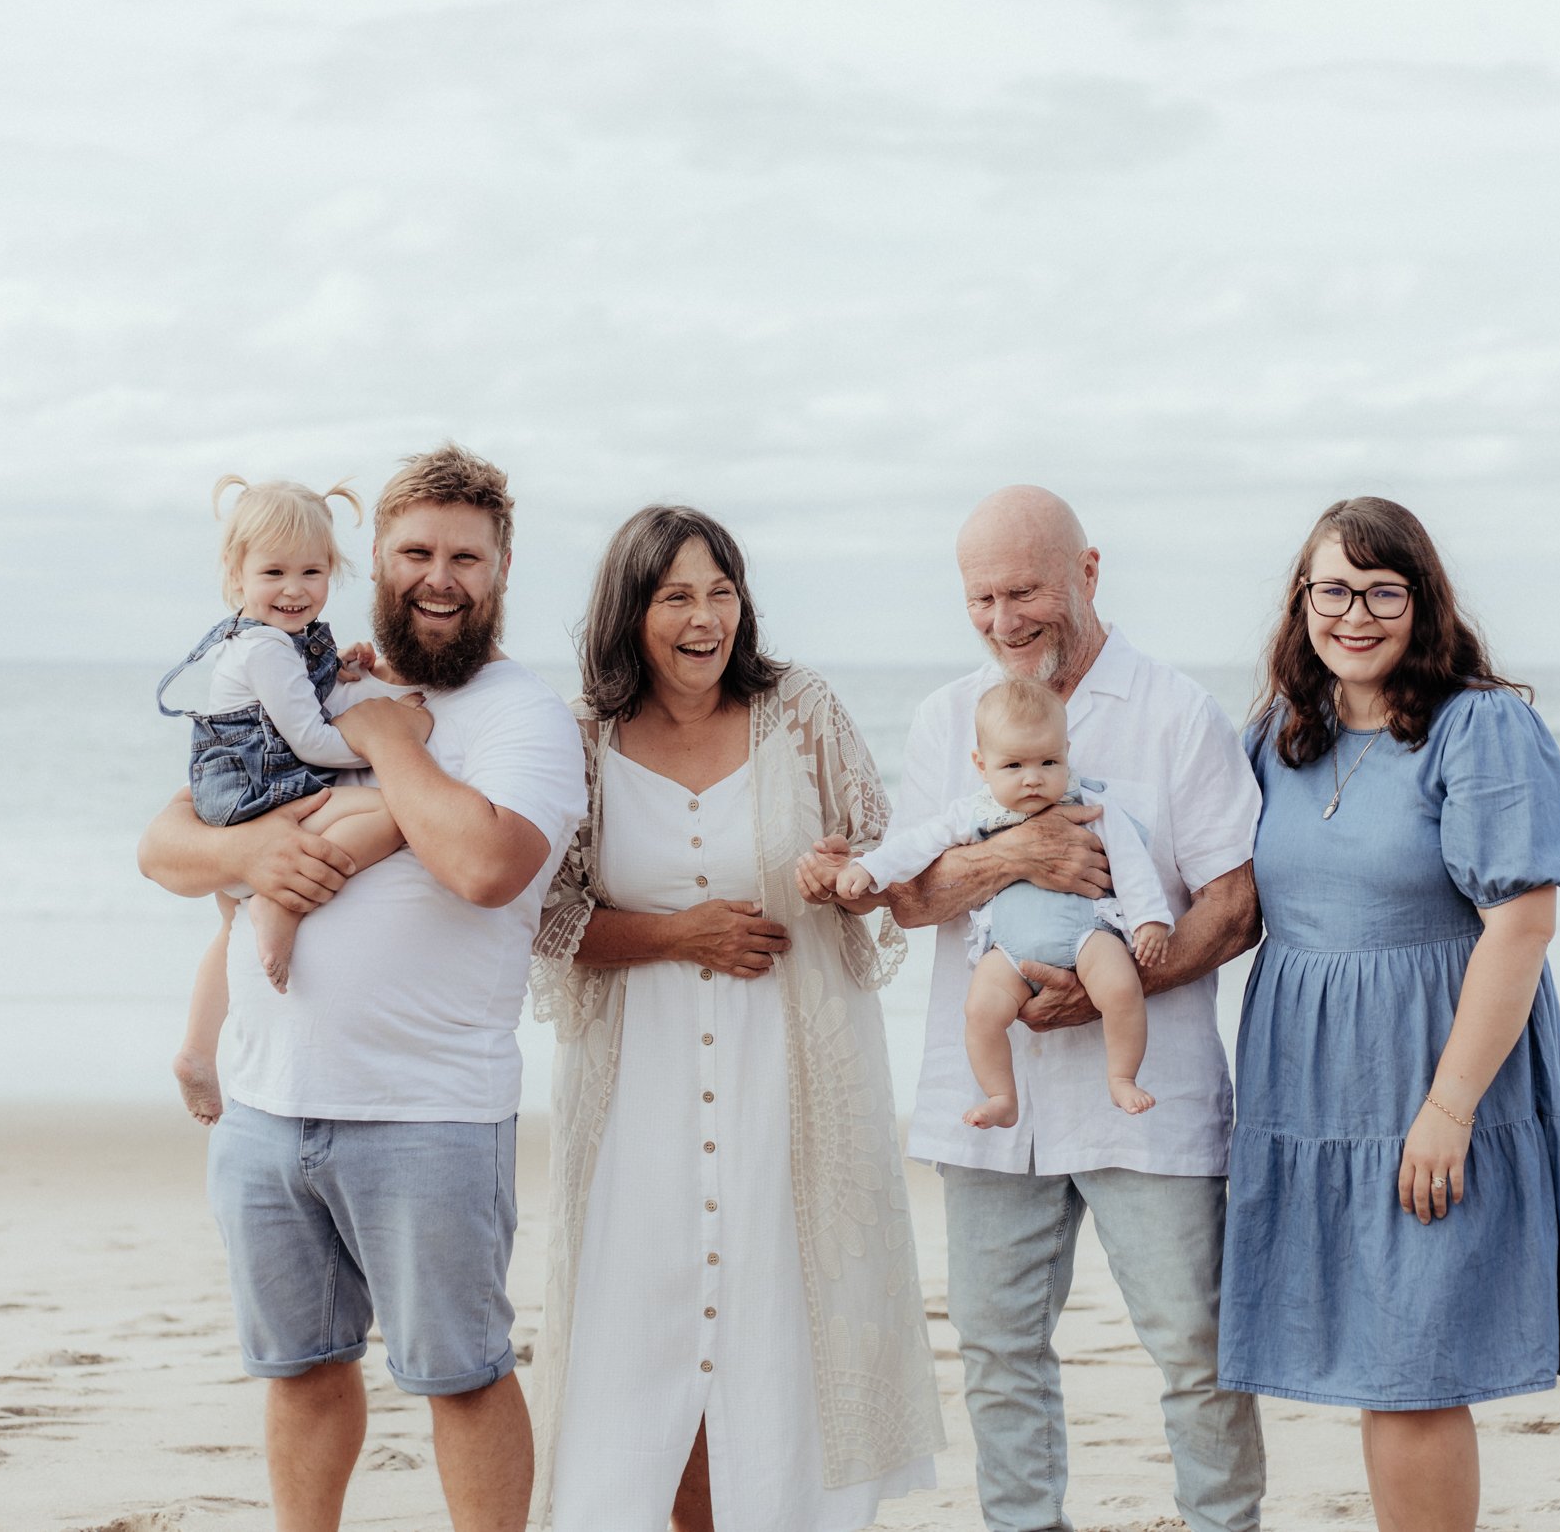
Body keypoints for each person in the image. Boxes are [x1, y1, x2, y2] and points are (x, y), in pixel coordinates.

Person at [137, 444, 587, 1532]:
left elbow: (486, 867)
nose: (440, 575)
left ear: (504, 566)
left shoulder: (519, 714)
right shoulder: (310, 670)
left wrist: (388, 741)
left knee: (462, 1374)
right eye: (416, 550)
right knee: (299, 1367)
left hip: (428, 1111)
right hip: (265, 1101)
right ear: (373, 561)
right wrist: (249, 860)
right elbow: (164, 842)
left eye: (465, 556)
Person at [802, 485, 1266, 1532]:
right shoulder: (946, 719)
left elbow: (1235, 903)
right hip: (988, 1092)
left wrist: (1107, 985)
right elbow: (913, 894)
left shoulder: (1176, 710)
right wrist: (1011, 855)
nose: (1004, 621)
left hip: (1149, 1091)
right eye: (981, 598)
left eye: (1026, 591)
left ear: (1087, 573)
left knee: (1193, 1345)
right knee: (1000, 1352)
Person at [528, 505, 944, 1532]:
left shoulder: (799, 710)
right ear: (632, 611)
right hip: (639, 1096)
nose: (704, 615)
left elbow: (881, 860)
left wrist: (839, 871)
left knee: (775, 1336)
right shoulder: (583, 733)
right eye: (676, 594)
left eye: (720, 589)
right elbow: (547, 912)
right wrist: (680, 934)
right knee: (645, 1345)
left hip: (791, 1087)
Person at [1221, 495, 1560, 1532]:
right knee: (1372, 1357)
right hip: (1313, 1086)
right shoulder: (1281, 738)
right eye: (1332, 588)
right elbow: (1232, 908)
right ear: (1302, 601)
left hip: (1435, 1074)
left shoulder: (1479, 725)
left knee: (1412, 1365)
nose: (1355, 613)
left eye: (1383, 589)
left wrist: (1450, 1105)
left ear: (1422, 601)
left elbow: (1520, 925)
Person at [155, 474, 420, 1124]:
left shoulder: (278, 638)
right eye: (274, 571)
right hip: (255, 792)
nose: (295, 588)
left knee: (228, 924)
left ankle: (195, 1049)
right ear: (236, 571)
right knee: (389, 811)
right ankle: (283, 896)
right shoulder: (268, 646)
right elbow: (310, 736)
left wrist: (352, 670)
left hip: (236, 789)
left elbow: (311, 695)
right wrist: (386, 746)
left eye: (313, 570)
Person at [832, 676, 1171, 1127]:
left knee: (1122, 988)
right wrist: (870, 868)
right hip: (1007, 949)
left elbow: (1131, 863)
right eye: (1013, 766)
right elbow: (916, 846)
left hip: (1088, 934)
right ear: (982, 763)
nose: (1033, 778)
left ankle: (1122, 1076)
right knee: (980, 1010)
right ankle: (1000, 1095)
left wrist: (1150, 919)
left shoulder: (1088, 804)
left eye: (1049, 761)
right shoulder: (974, 814)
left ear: (1067, 752)